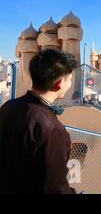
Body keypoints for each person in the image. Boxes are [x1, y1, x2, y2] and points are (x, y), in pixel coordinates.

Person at [0, 49, 78, 194]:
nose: (70, 84)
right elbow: (55, 189)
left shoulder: (7, 107)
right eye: (70, 79)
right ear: (59, 83)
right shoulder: (51, 129)